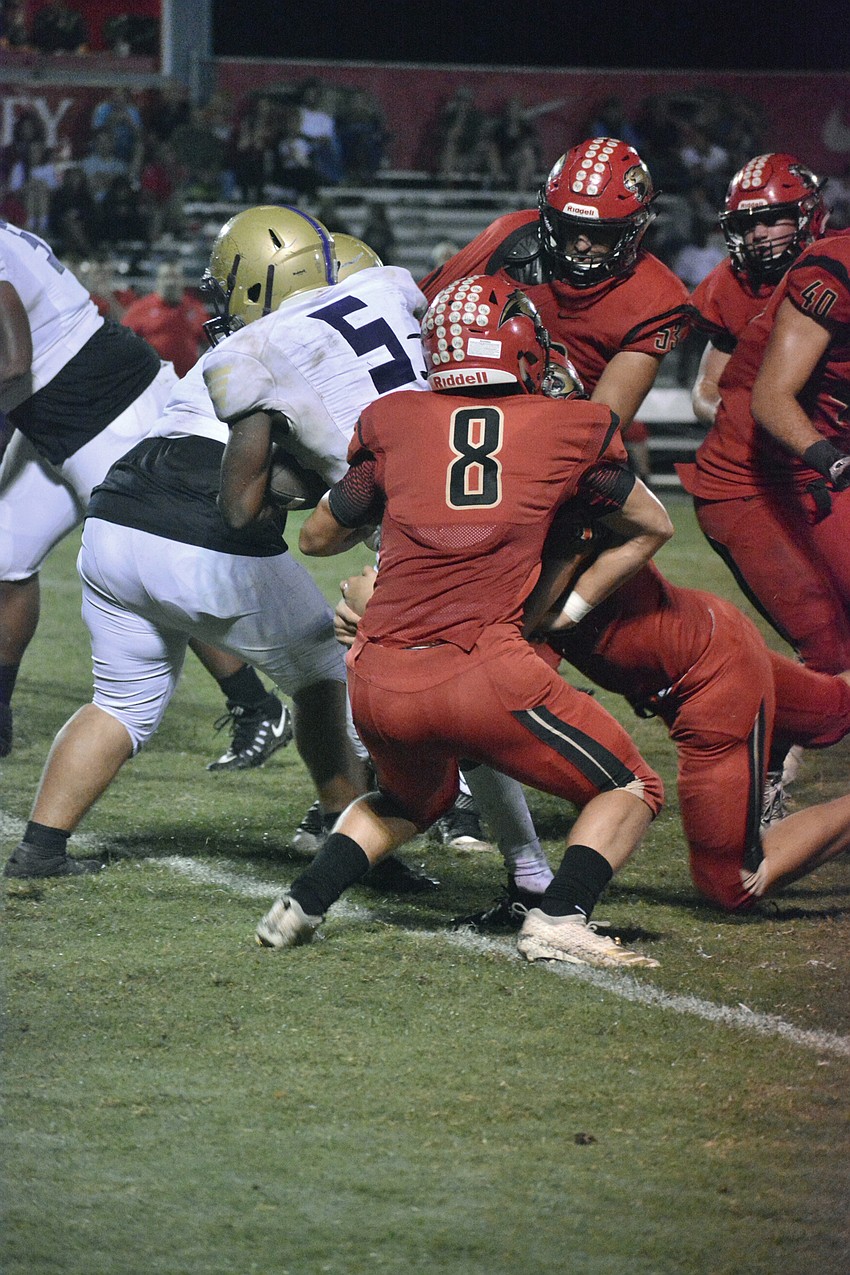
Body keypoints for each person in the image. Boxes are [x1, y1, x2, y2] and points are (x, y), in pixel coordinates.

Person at [2, 209, 431, 891]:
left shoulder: (235, 348)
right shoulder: (307, 348)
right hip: (200, 533)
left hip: (114, 522)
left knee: (121, 700)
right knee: (325, 671)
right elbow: (265, 490)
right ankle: (341, 828)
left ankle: (41, 847)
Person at [251, 275, 672, 969]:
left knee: (415, 796)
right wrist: (563, 608)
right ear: (520, 347)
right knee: (631, 786)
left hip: (377, 674)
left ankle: (303, 902)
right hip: (479, 667)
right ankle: (561, 916)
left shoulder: (392, 419)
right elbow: (648, 523)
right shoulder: (573, 426)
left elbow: (319, 536)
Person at [0, 219, 178, 760]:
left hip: (106, 404)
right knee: (5, 556)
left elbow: (13, 363)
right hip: (58, 414)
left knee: (151, 556)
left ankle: (254, 705)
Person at [420, 138, 690, 433]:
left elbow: (600, 431)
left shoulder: (658, 297)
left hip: (561, 434)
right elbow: (416, 312)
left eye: (600, 234)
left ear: (637, 227)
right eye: (569, 227)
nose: (581, 244)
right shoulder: (512, 237)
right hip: (463, 412)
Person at [687, 154, 829, 427]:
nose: (758, 234)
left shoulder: (838, 264)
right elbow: (707, 389)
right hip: (760, 445)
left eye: (772, 219)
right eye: (747, 225)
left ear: (807, 216)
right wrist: (737, 421)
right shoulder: (730, 282)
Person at [121, 260, 208, 377]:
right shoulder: (140, 308)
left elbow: (208, 343)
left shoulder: (194, 308)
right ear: (158, 280)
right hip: (152, 381)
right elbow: (124, 343)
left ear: (182, 280)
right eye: (166, 277)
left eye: (175, 277)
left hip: (186, 382)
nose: (170, 282)